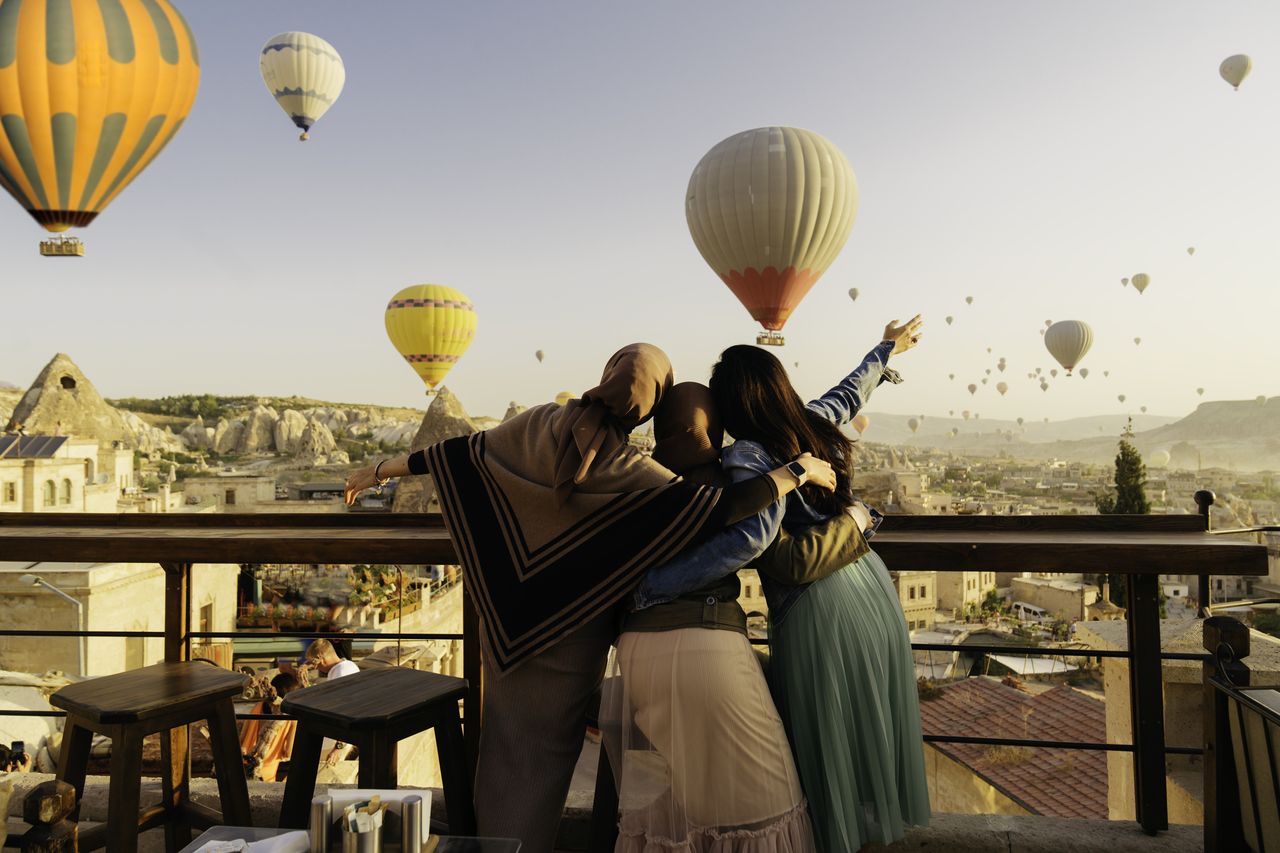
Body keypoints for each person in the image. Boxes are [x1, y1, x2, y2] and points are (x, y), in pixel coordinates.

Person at [345, 343, 836, 853]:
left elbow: (461, 454)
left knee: (506, 748)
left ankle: (491, 845)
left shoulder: (540, 423)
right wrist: (797, 471)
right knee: (547, 760)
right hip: (574, 633)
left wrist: (380, 470)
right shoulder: (630, 472)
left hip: (509, 621)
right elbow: (723, 509)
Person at [634, 318, 932, 852]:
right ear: (778, 387)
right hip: (869, 583)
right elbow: (847, 394)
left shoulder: (747, 457)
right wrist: (886, 350)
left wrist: (656, 584)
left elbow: (757, 542)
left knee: (826, 744)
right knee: (864, 727)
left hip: (819, 602)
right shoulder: (810, 425)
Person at [610, 382, 872, 852]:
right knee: (769, 806)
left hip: (638, 651)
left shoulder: (634, 479)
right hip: (704, 643)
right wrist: (799, 476)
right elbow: (754, 540)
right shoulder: (724, 480)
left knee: (690, 806)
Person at [304, 639, 359, 768]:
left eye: (314, 663)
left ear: (320, 658)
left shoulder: (342, 672)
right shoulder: (345, 666)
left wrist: (339, 747)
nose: (315, 667)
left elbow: (348, 710)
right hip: (337, 738)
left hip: (336, 743)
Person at [241, 672, 300, 782]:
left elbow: (241, 739)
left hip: (242, 766)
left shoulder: (257, 707)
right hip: (265, 776)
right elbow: (289, 753)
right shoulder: (290, 719)